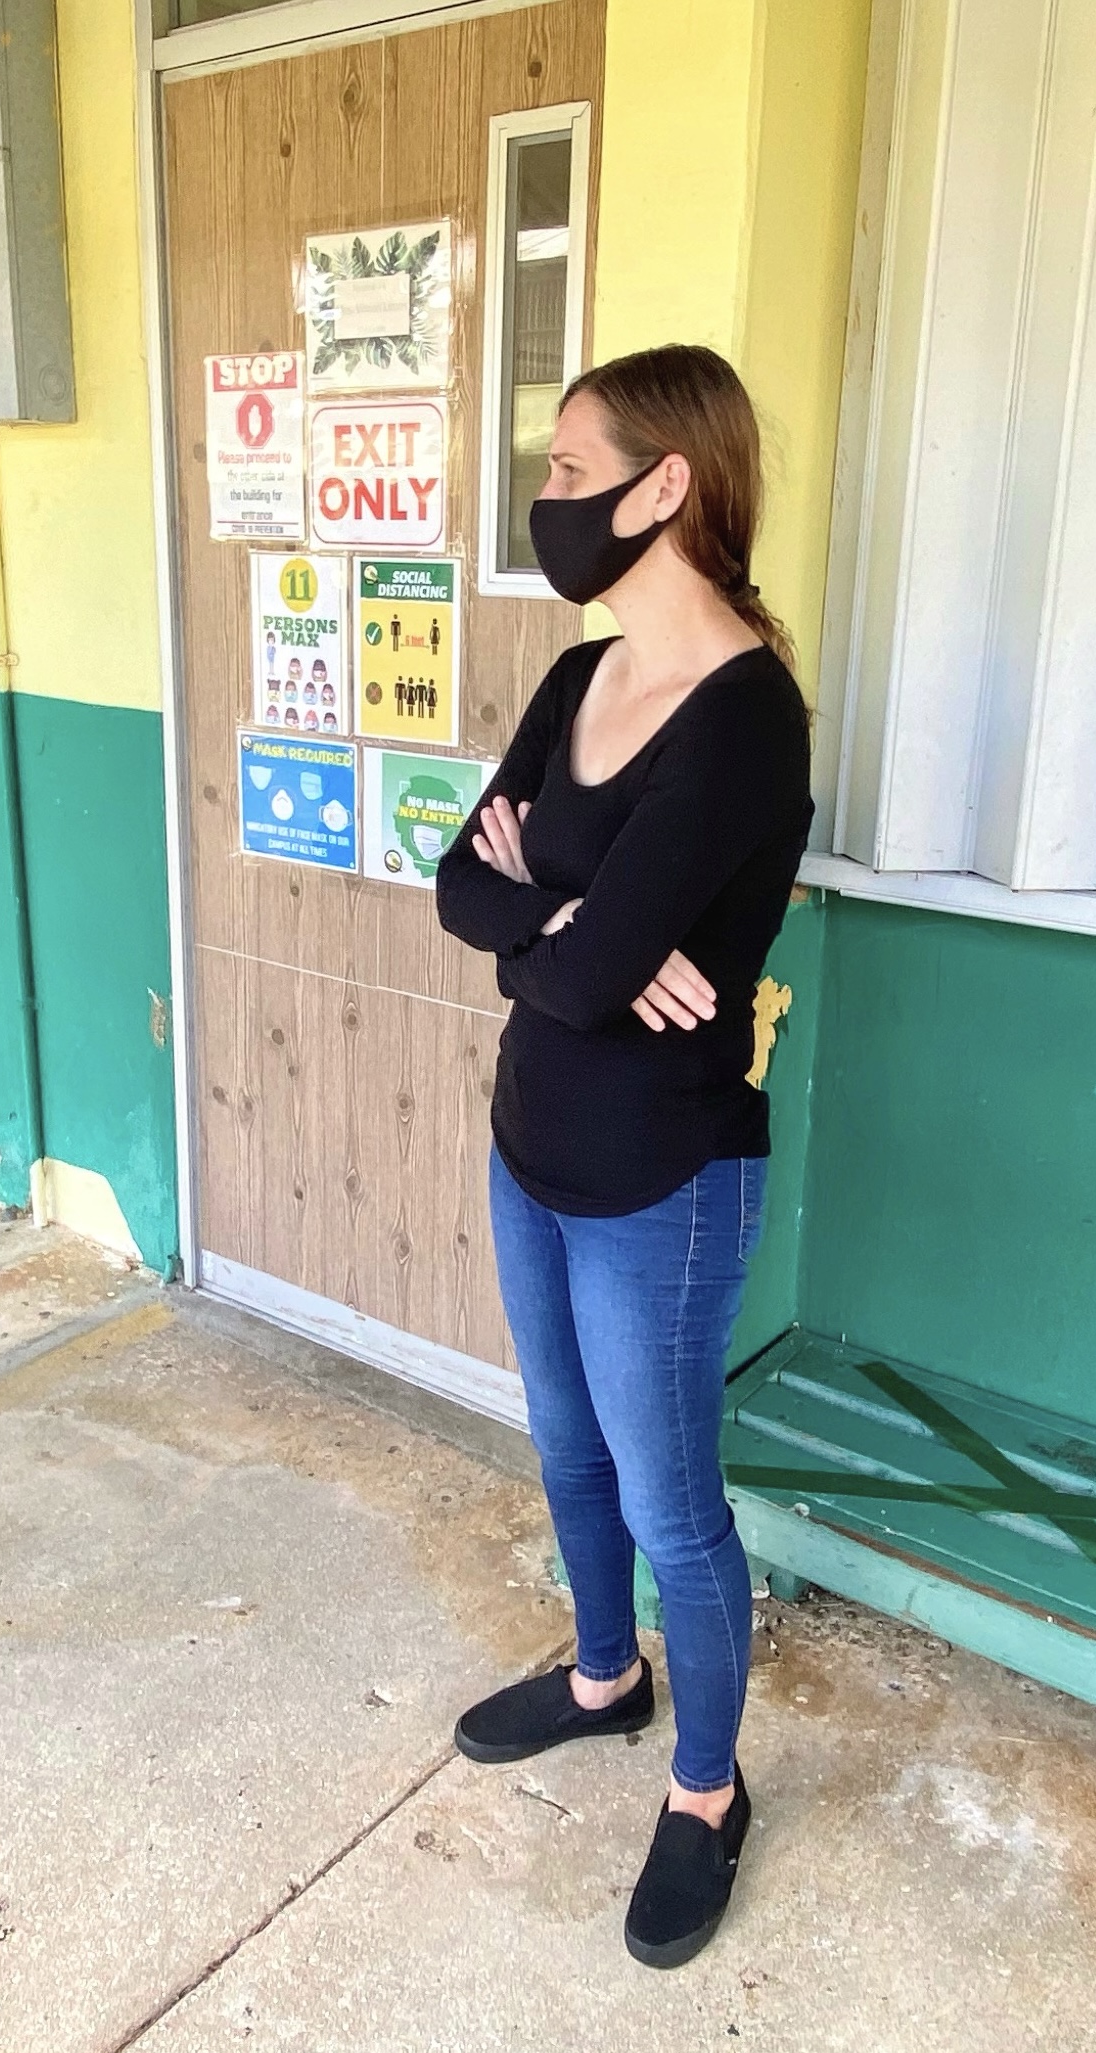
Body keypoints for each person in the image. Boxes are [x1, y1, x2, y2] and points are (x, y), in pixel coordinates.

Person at [433, 345, 814, 1970]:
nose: (552, 495)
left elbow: (583, 974)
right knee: (564, 1449)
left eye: (577, 468)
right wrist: (566, 924)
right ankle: (606, 1678)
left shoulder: (744, 716)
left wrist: (573, 938)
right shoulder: (578, 673)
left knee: (672, 1503)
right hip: (534, 1138)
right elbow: (462, 886)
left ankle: (710, 1790)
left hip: (664, 1176)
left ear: (667, 488)